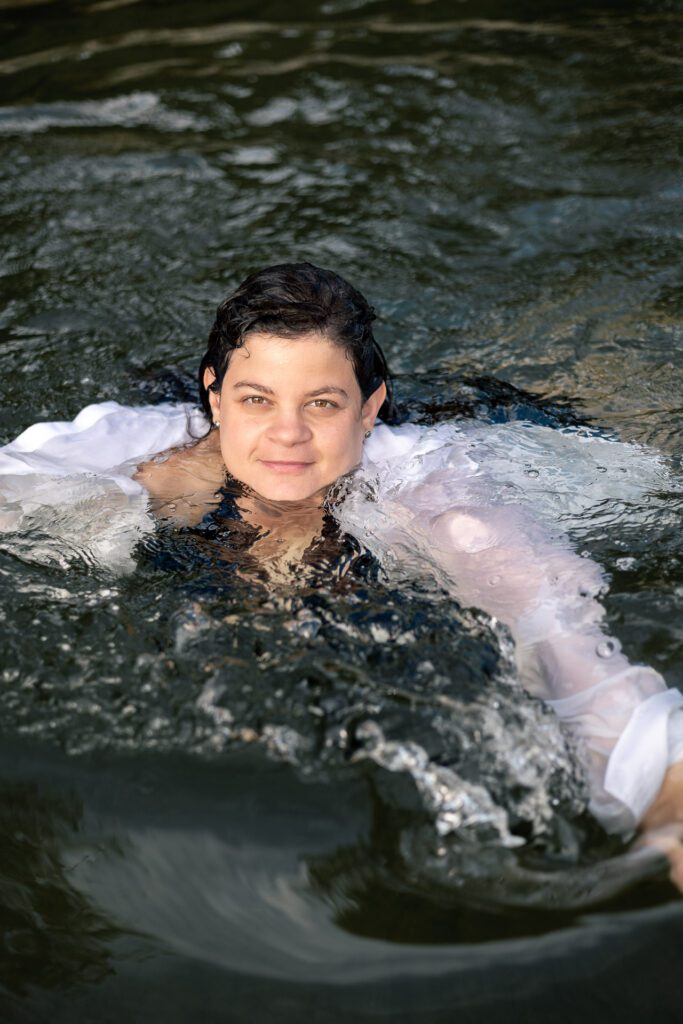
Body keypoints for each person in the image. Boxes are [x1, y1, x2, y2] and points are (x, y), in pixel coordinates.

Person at [135, 261, 683, 883]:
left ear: (369, 409)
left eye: (321, 402)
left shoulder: (437, 497)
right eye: (256, 399)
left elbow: (562, 639)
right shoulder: (136, 452)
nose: (286, 433)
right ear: (214, 395)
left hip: (487, 422)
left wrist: (668, 794)